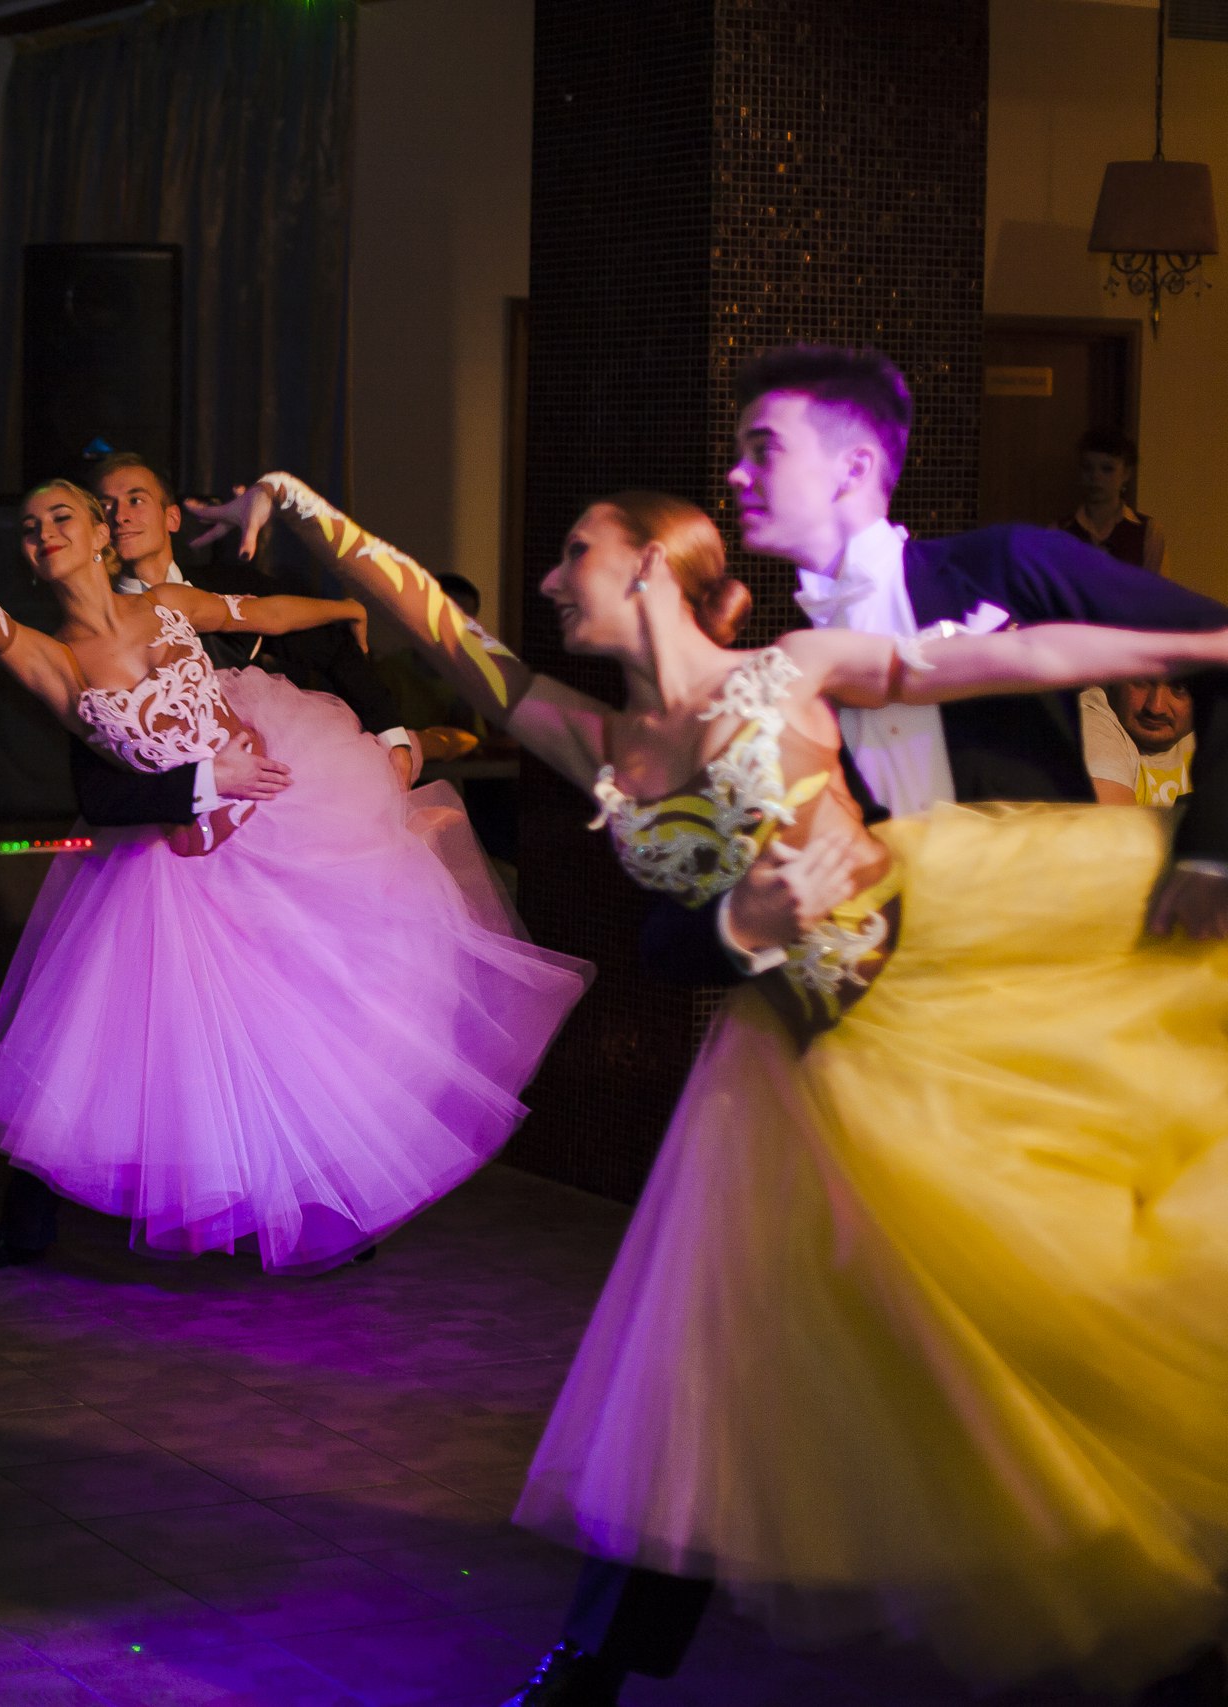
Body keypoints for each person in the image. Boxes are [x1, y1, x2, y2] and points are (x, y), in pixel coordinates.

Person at [196, 471, 1228, 1703]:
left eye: (572, 552)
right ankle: (593, 1664)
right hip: (791, 1066)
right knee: (711, 1351)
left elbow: (1017, 658)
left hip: (929, 1017)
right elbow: (441, 630)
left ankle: (1166, 1625)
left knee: (1031, 1309)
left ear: (647, 568)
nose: (546, 579)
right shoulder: (600, 743)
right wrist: (302, 510)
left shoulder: (790, 674)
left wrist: (1196, 647)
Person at [0, 451, 590, 1275]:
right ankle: (58, 1224)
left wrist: (342, 604)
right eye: (31, 528)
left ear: (98, 535)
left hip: (286, 821)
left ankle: (327, 1208)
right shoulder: (51, 658)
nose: (44, 533)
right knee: (142, 1048)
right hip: (177, 861)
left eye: (61, 517)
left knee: (318, 1016)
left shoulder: (165, 605)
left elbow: (265, 613)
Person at [0, 450, 422, 1274]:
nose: (121, 513)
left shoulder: (210, 590)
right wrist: (203, 782)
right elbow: (100, 789)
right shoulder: (77, 642)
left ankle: (324, 1204)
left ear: (168, 516)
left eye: (135, 499)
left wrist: (390, 729)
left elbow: (321, 639)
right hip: (164, 844)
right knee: (94, 1029)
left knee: (297, 1014)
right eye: (106, 503)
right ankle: (31, 1222)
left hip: (277, 815)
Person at [639, 347, 1228, 991]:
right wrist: (741, 923)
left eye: (764, 449)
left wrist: (1213, 850)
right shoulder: (775, 678)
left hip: (1063, 969)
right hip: (901, 1006)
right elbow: (669, 934)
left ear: (854, 467)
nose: (735, 474)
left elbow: (1217, 645)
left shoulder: (1005, 565)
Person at [1062, 425, 1170, 577]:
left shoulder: (1147, 532)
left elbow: (1157, 588)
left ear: (1126, 473)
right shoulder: (1060, 532)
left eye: (1107, 469)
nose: (1095, 477)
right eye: (1088, 468)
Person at [1087, 677, 1199, 807]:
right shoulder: (1092, 724)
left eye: (1179, 687)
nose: (1156, 708)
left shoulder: (1209, 723)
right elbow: (1115, 819)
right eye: (1142, 680)